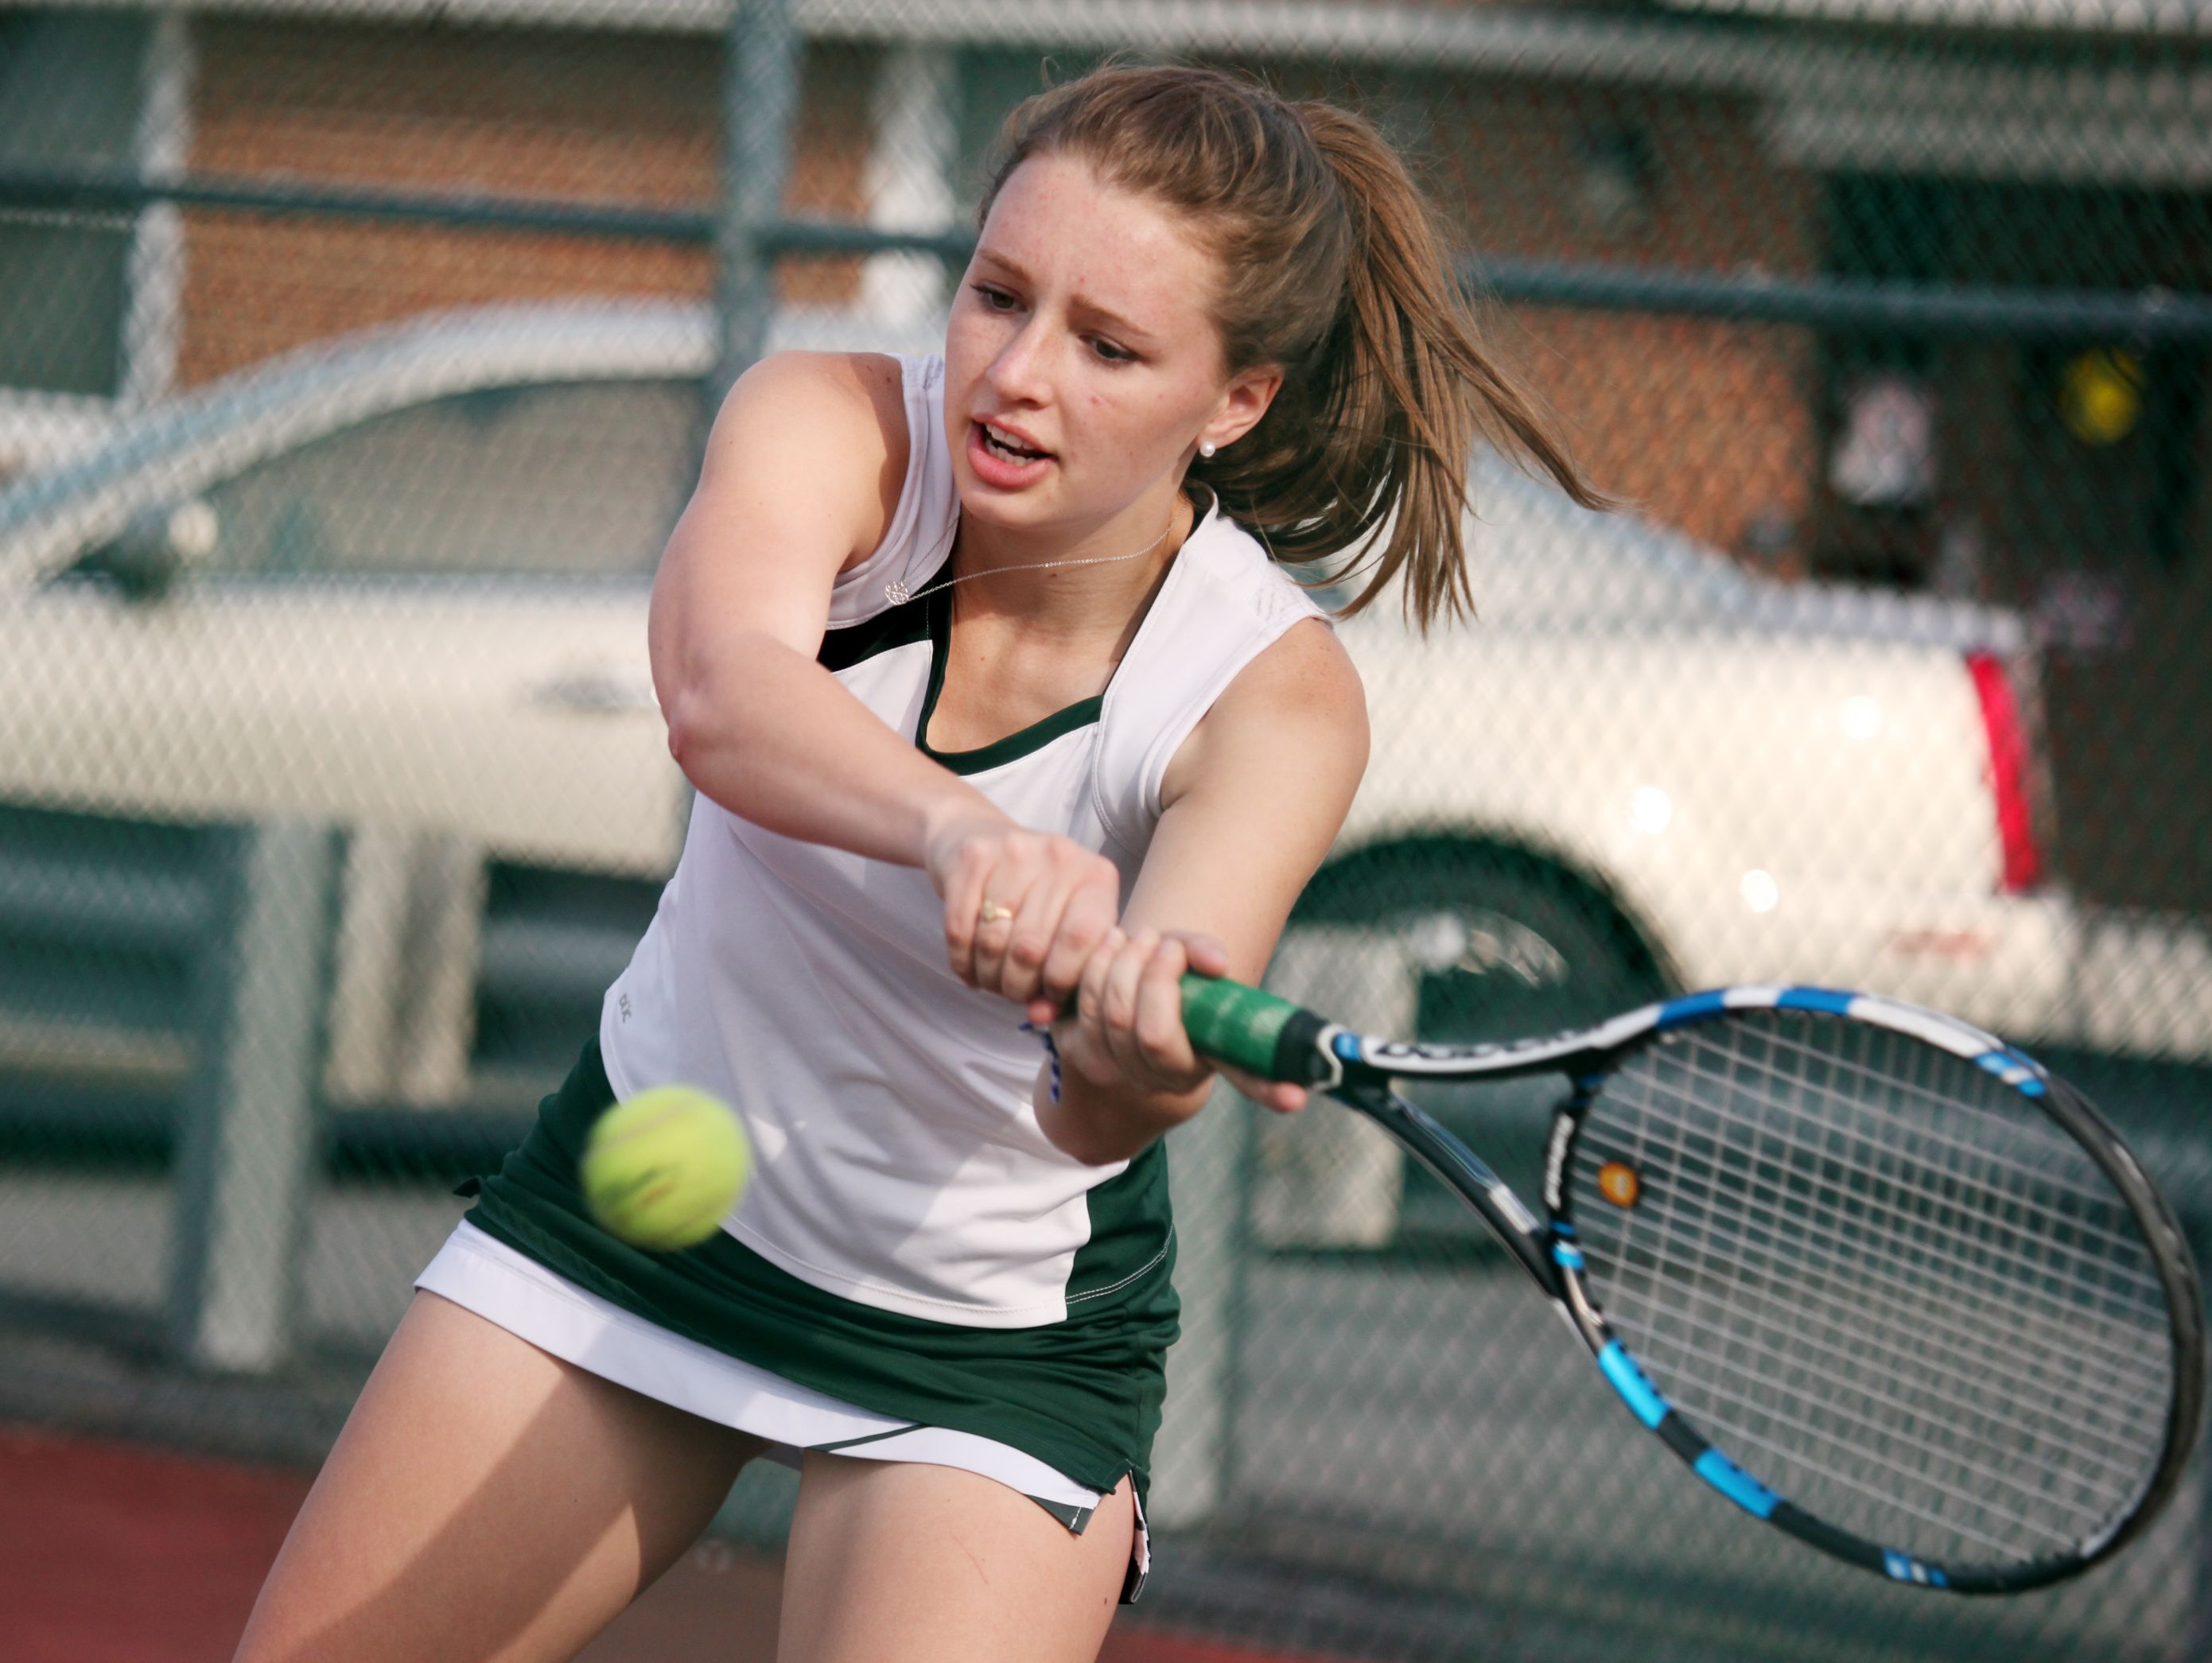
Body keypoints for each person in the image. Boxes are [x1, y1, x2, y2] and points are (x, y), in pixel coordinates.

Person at [232, 63, 1606, 1663]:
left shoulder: (1271, 694)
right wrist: (964, 831)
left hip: (992, 1341)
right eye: (995, 294)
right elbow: (716, 693)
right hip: (635, 1220)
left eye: (1106, 347)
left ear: (1231, 399)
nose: (1014, 376)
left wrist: (1130, 1048)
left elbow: (1110, 1100)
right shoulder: (830, 428)